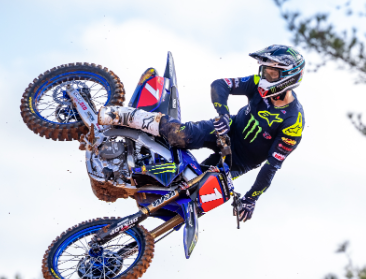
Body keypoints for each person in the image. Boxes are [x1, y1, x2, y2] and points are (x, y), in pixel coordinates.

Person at [98, 45, 306, 223]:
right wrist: (223, 114)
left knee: (193, 200)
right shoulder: (256, 84)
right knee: (180, 135)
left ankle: (132, 219)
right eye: (264, 70)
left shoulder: (293, 123)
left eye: (271, 73)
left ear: (289, 78)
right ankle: (122, 115)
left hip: (238, 162)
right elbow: (219, 85)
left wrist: (251, 199)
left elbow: (272, 166)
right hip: (226, 131)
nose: (264, 76)